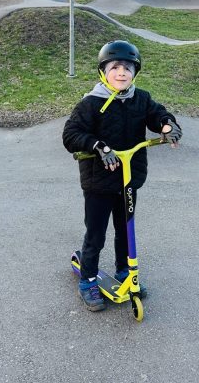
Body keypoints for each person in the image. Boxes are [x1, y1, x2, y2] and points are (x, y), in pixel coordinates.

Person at [62, 40, 182, 311]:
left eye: (127, 68)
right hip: (98, 181)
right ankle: (88, 280)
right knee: (96, 233)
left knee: (125, 230)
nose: (121, 73)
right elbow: (71, 135)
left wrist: (166, 125)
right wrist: (97, 145)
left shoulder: (141, 98)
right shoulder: (91, 103)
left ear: (134, 73)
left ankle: (124, 272)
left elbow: (157, 114)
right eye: (115, 67)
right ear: (103, 71)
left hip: (129, 178)